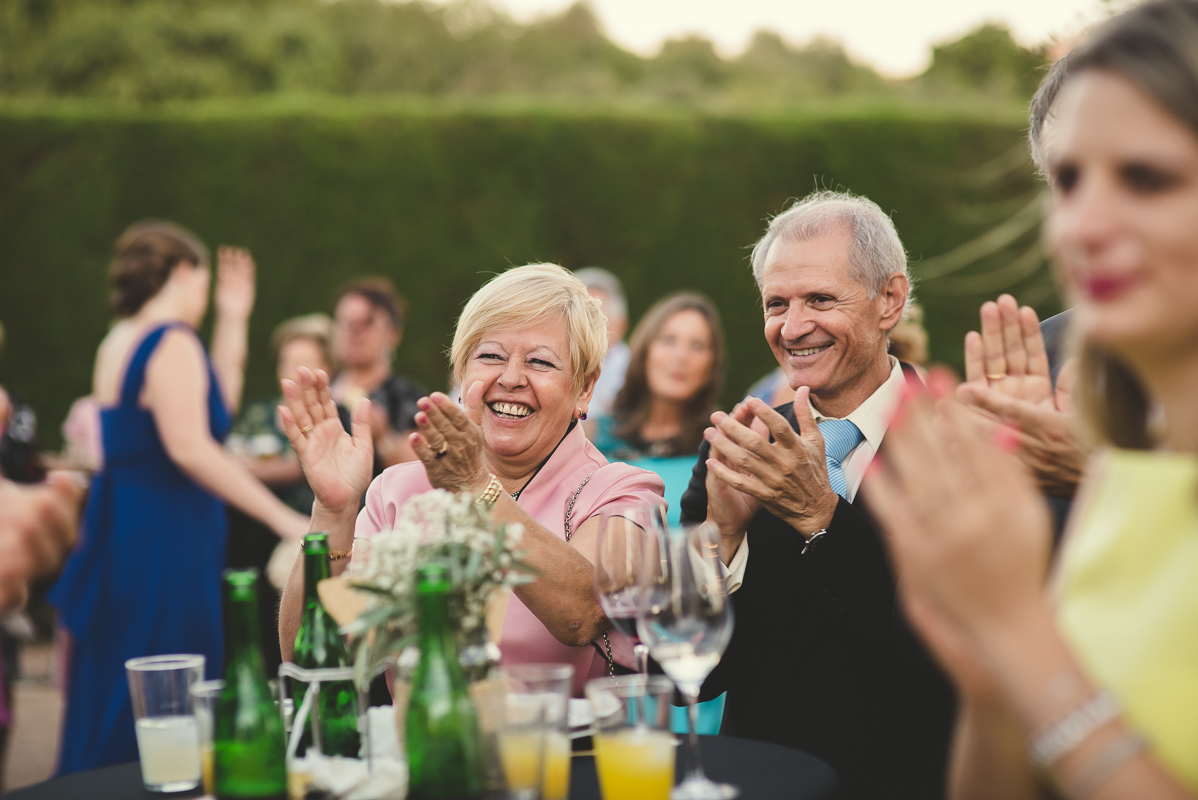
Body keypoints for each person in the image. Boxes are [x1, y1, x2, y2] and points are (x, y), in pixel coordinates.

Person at [865, 1, 1198, 795]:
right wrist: (990, 681)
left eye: (1146, 178)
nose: (1084, 225)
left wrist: (1024, 640)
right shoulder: (1125, 473)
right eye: (1069, 182)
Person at [679, 190, 954, 798]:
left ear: (891, 300)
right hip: (758, 780)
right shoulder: (736, 447)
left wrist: (820, 514)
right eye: (776, 304)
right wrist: (720, 538)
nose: (793, 327)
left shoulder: (961, 446)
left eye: (820, 300)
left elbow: (945, 657)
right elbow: (691, 679)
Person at [278, 264, 665, 696]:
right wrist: (333, 513)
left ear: (584, 389)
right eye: (491, 356)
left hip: (562, 758)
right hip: (422, 752)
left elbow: (582, 615)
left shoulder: (624, 492)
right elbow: (306, 659)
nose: (512, 378)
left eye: (540, 361)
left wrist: (475, 487)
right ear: (462, 373)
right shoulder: (398, 490)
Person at [48, 221, 308, 774]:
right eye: (203, 285)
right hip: (166, 535)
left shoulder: (118, 339)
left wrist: (234, 318)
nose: (203, 300)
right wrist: (284, 518)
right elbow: (192, 446)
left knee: (124, 673)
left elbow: (214, 403)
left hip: (121, 525)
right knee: (170, 677)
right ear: (184, 271)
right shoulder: (172, 341)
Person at [589, 292, 725, 526]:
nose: (680, 357)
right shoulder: (591, 435)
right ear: (645, 350)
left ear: (712, 364)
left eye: (697, 346)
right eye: (669, 340)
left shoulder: (721, 448)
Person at [330, 278, 424, 471]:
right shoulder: (322, 391)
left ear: (393, 333)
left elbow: (424, 469)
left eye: (367, 323)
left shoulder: (408, 397)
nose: (355, 332)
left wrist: (383, 437)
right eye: (347, 322)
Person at [574, 267, 630, 418]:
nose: (586, 328)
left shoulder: (635, 373)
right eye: (579, 317)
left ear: (621, 324)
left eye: (596, 318)